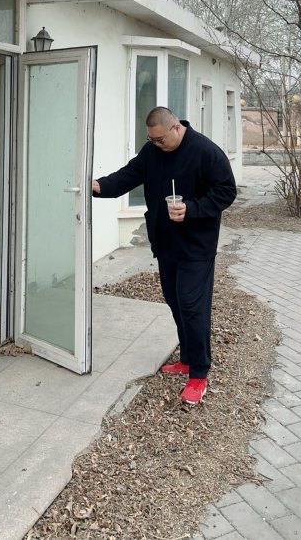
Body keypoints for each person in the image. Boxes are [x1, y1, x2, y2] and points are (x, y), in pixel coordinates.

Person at [92, 106, 237, 405]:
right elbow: (128, 175)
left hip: (196, 246)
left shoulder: (206, 152)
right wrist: (99, 186)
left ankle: (199, 374)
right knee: (175, 301)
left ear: (176, 128)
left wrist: (192, 209)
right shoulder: (153, 152)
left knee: (192, 306)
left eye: (160, 139)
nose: (156, 145)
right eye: (151, 140)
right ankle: (187, 358)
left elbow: (226, 191)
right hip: (165, 243)